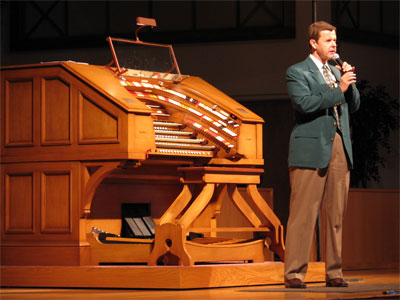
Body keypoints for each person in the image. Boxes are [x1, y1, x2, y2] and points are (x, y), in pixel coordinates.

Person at [284, 21, 360, 289]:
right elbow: (305, 104)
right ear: (313, 43)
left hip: (339, 146)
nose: (333, 45)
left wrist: (349, 82)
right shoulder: (297, 72)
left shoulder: (337, 70)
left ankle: (334, 271)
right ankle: (294, 273)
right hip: (310, 148)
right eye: (328, 40)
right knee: (303, 215)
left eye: (335, 40)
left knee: (336, 215)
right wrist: (338, 89)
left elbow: (355, 104)